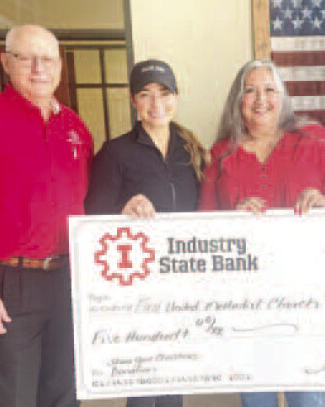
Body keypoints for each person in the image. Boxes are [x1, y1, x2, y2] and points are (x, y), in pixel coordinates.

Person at [199, 59, 325, 407]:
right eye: (249, 90)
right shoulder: (221, 154)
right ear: (237, 101)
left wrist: (324, 202)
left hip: (309, 298)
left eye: (269, 89)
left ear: (283, 97)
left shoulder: (314, 139)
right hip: (246, 305)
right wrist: (232, 220)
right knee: (258, 399)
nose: (260, 99)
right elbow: (205, 225)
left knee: (309, 398)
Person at [85, 59, 206, 407]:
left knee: (172, 375)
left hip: (183, 278)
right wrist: (121, 212)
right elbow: (92, 215)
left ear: (177, 96)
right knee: (141, 380)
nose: (156, 105)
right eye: (146, 95)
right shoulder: (115, 151)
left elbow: (207, 211)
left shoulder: (192, 150)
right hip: (136, 282)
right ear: (133, 100)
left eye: (164, 94)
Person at [0, 25, 93, 407]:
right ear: (5, 62)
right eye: (26, 58)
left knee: (65, 392)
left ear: (59, 66)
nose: (38, 68)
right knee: (12, 397)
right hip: (7, 285)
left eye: (47, 58)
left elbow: (87, 203)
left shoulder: (76, 128)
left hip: (68, 279)